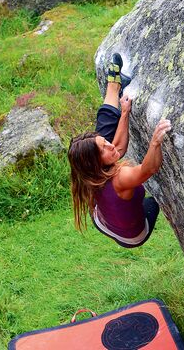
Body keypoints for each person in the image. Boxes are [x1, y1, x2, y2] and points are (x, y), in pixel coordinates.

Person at [68, 54, 172, 248]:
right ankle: (114, 87)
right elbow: (147, 170)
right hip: (131, 236)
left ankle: (113, 86)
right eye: (104, 148)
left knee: (97, 137)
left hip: (102, 220)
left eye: (105, 143)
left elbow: (117, 148)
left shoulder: (85, 173)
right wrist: (155, 142)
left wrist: (125, 113)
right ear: (95, 163)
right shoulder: (120, 179)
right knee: (153, 203)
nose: (109, 145)